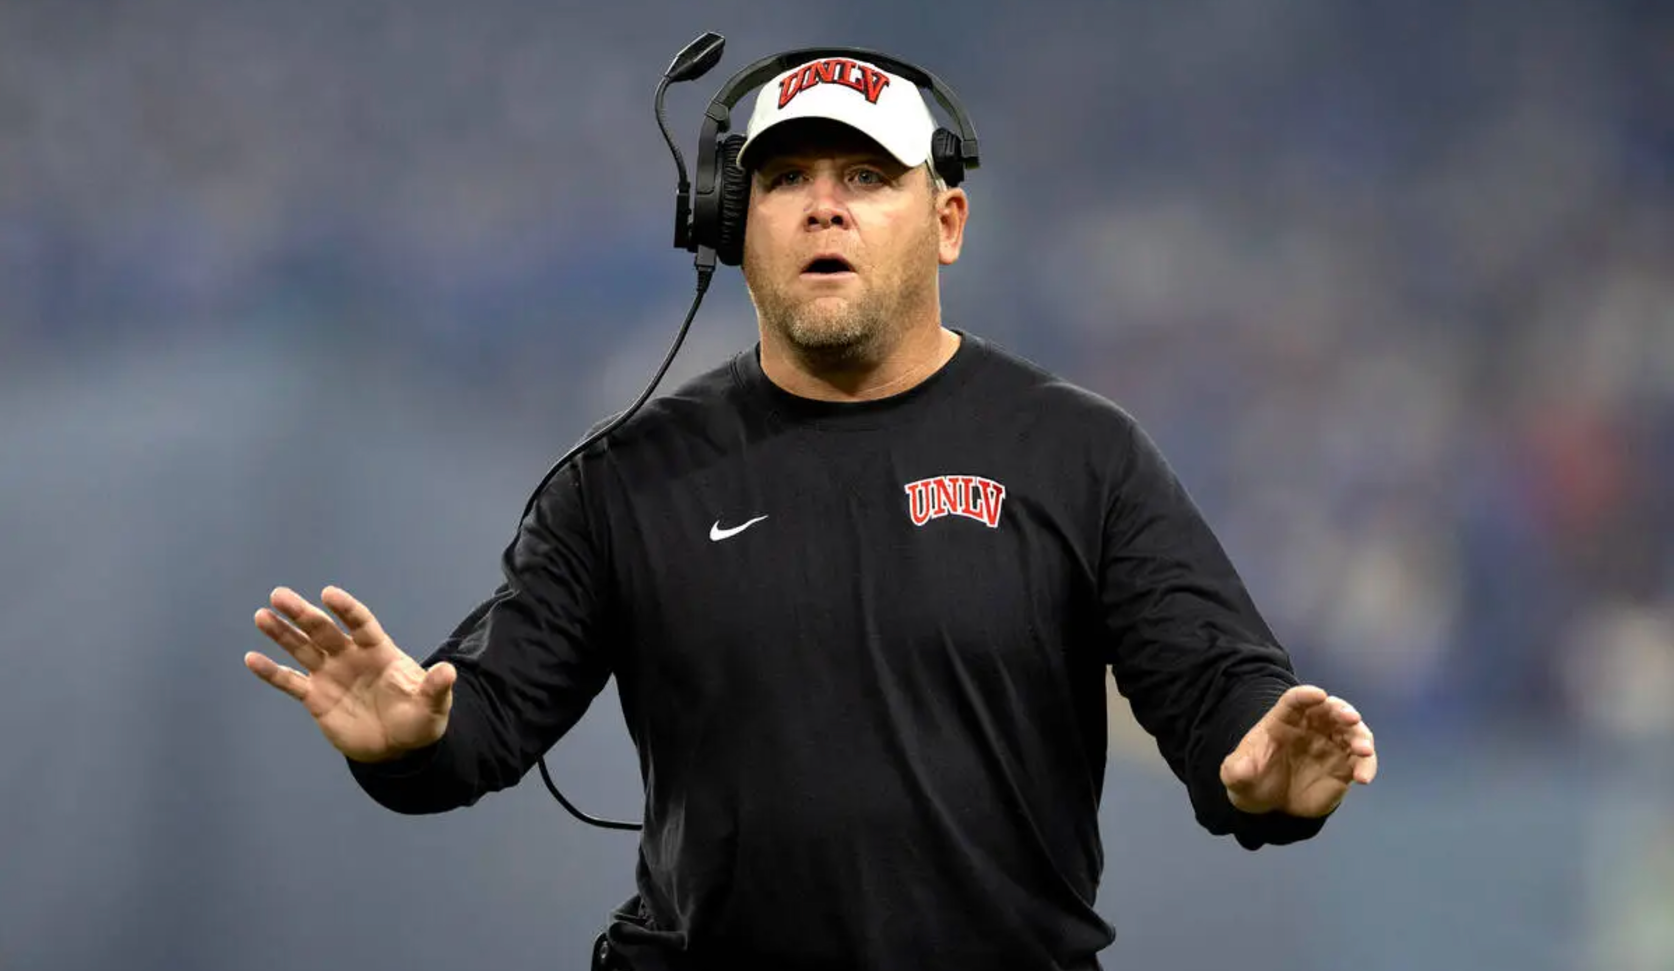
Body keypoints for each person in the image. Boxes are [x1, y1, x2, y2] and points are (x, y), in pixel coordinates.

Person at [244, 51, 1378, 971]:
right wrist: (410, 740)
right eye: (786, 179)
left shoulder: (1078, 451)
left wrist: (1267, 774)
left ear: (947, 221)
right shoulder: (628, 478)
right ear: (731, 223)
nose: (823, 205)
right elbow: (482, 715)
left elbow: (1219, 690)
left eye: (866, 175)